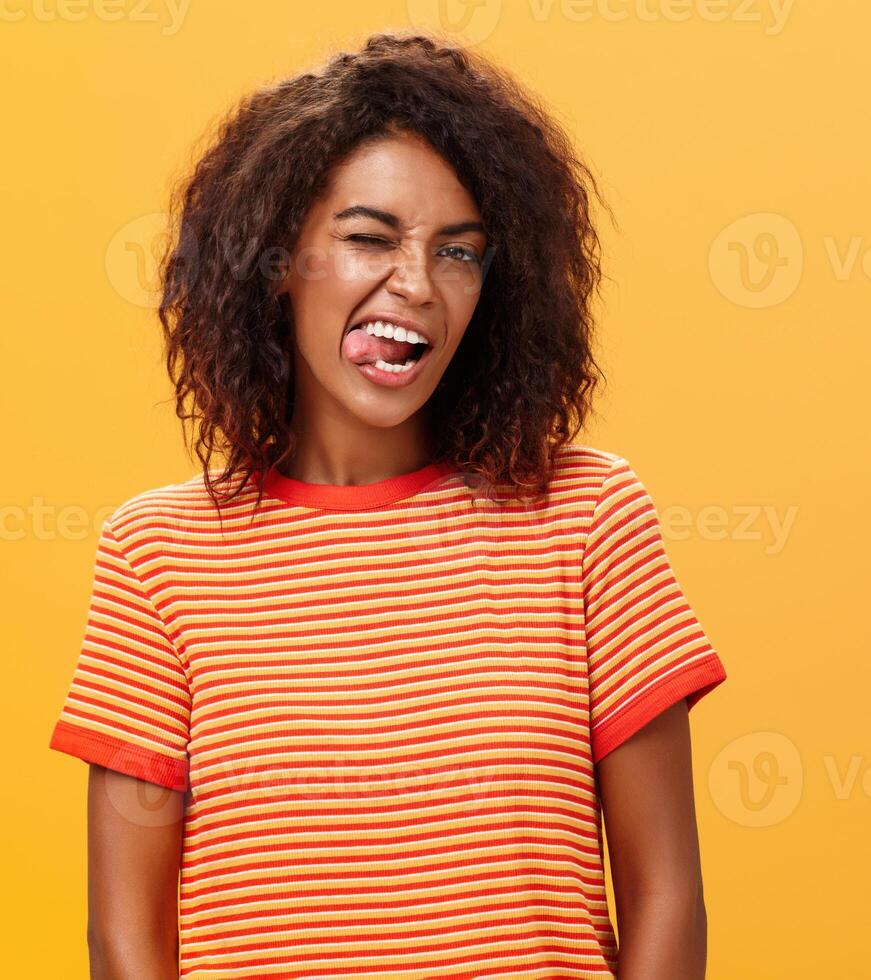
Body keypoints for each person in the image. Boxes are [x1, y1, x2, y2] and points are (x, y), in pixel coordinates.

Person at [46, 32, 726, 978]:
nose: (416, 283)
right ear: (277, 262)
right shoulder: (156, 552)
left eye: (458, 252)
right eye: (369, 237)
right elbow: (125, 941)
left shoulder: (587, 516)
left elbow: (667, 901)